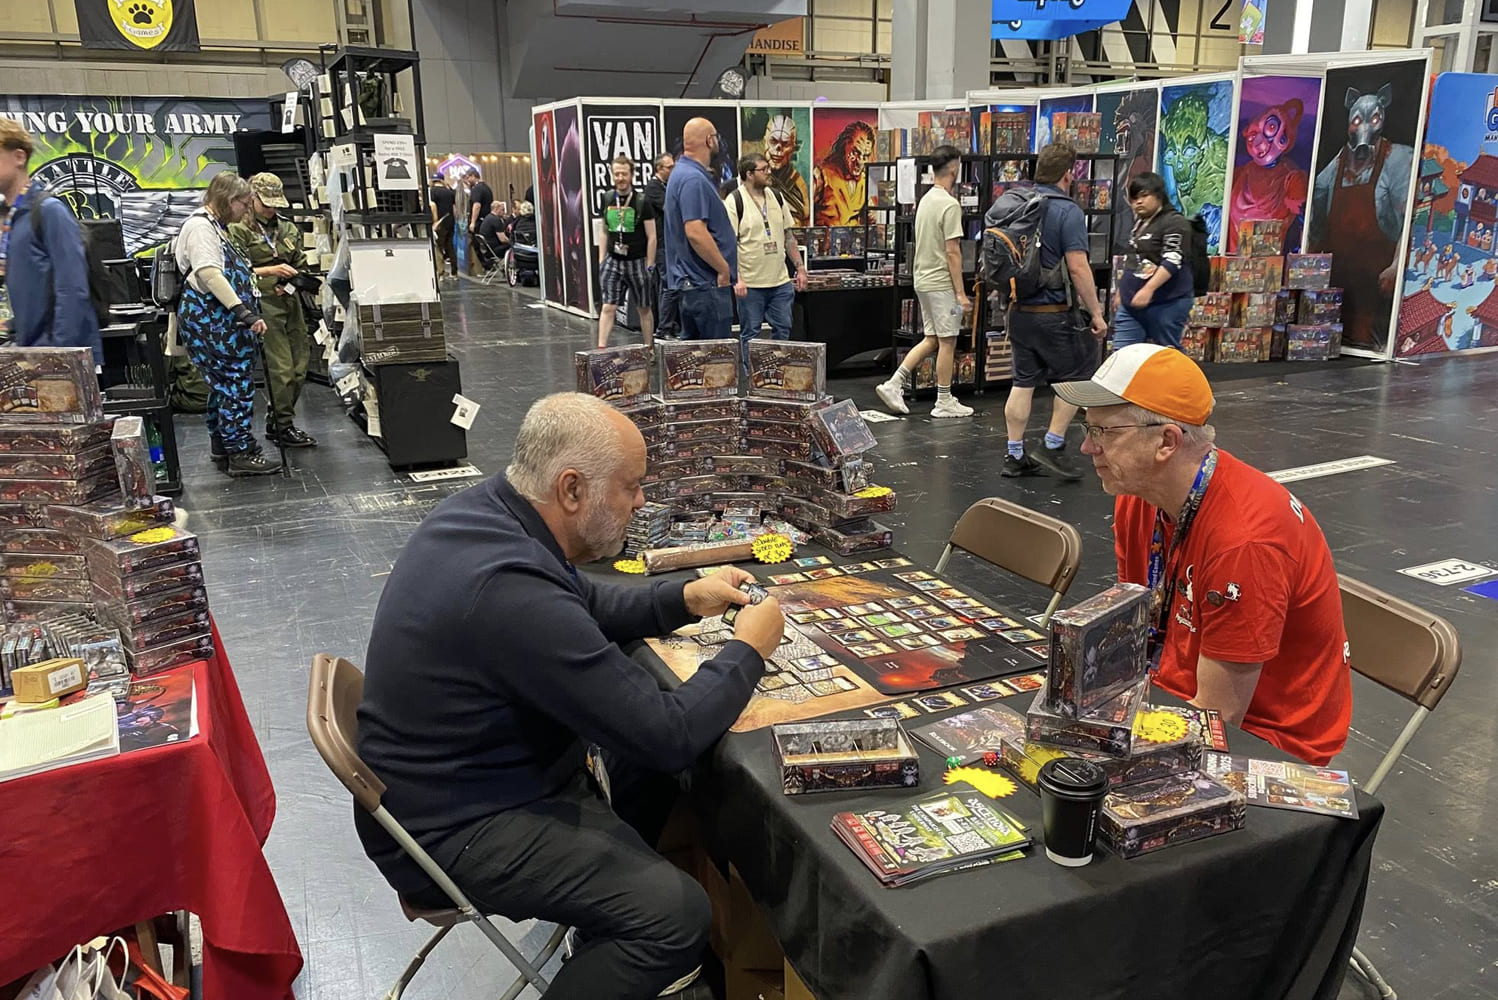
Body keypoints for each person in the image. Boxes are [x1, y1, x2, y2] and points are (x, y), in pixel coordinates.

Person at [357, 392, 784, 999]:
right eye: (631, 486)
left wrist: (684, 598)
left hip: (456, 784)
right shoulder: (508, 587)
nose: (641, 502)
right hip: (454, 829)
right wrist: (748, 651)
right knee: (674, 915)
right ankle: (621, 934)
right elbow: (669, 734)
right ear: (573, 489)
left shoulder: (485, 515)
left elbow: (581, 598)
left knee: (637, 755)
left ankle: (603, 924)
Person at [1053, 344, 1350, 765]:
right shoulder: (1138, 495)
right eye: (1089, 428)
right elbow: (1134, 623)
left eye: (1104, 432)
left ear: (1167, 441)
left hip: (1264, 741)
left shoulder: (1244, 543)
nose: (1087, 447)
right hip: (1167, 689)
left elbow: (1218, 719)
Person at [998, 142, 1108, 480]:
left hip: (1017, 310)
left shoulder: (1015, 203)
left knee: (1023, 381)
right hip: (1054, 312)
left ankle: (1014, 454)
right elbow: (1077, 267)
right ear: (1068, 174)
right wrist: (1097, 313)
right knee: (1077, 374)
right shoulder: (1067, 211)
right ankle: (1053, 443)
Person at [174, 172, 281, 477]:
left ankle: (223, 444)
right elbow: (209, 274)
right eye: (243, 204)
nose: (246, 210)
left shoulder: (214, 227)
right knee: (235, 383)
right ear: (228, 200)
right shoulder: (200, 228)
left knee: (222, 385)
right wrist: (243, 312)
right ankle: (240, 452)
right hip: (214, 321)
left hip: (219, 321)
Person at [875, 145, 973, 419]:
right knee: (948, 340)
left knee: (932, 338)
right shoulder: (949, 204)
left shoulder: (926, 200)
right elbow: (952, 251)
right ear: (954, 168)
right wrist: (961, 293)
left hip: (924, 280)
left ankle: (894, 383)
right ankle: (944, 400)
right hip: (941, 284)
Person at [0, 118, 102, 362]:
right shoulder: (11, 218)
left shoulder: (49, 211)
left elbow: (72, 288)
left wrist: (58, 356)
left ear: (19, 157)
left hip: (59, 357)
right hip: (30, 351)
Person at [228, 173, 315, 449]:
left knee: (300, 366)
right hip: (261, 303)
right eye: (266, 204)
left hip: (289, 300)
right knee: (281, 370)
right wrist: (270, 271)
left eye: (275, 204)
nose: (271, 209)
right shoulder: (239, 229)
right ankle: (282, 424)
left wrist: (291, 283)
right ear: (252, 198)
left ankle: (278, 418)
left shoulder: (287, 228)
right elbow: (236, 271)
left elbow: (300, 264)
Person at [727, 154, 807, 372]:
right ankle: (753, 377)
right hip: (751, 283)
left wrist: (800, 268)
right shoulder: (735, 201)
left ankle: (777, 373)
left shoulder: (777, 196)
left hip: (780, 281)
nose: (769, 172)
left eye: (768, 168)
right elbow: (729, 244)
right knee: (750, 334)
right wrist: (737, 278)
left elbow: (788, 235)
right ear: (749, 174)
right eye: (763, 169)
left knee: (783, 328)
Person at [665, 118, 736, 341]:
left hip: (697, 286)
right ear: (709, 140)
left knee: (697, 356)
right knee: (716, 356)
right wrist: (723, 269)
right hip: (706, 286)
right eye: (715, 137)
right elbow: (695, 231)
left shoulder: (683, 173)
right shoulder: (692, 179)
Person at [1114, 172, 1194, 351]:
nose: (1139, 202)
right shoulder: (1140, 223)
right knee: (1122, 354)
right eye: (1134, 199)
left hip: (1167, 303)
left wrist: (1148, 289)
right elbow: (1132, 259)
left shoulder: (1175, 222)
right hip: (1131, 303)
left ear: (1159, 196)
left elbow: (1172, 260)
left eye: (1144, 196)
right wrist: (1121, 290)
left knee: (1165, 354)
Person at [596, 155, 657, 350]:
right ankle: (601, 349)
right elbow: (604, 230)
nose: (620, 178)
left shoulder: (641, 201)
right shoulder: (607, 198)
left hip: (637, 261)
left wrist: (649, 264)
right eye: (617, 174)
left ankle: (648, 348)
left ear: (631, 175)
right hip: (613, 260)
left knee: (644, 307)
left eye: (624, 174)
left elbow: (652, 236)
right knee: (608, 306)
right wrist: (602, 260)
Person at [812, 120, 875, 226]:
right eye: (855, 152)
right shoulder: (821, 175)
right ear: (844, 146)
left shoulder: (864, 181)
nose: (860, 162)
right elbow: (805, 216)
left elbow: (872, 217)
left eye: (865, 156)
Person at [643, 154, 678, 338]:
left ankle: (670, 325)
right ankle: (664, 328)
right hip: (661, 244)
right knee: (668, 286)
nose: (673, 170)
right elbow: (669, 207)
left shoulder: (666, 185)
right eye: (669, 167)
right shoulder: (653, 187)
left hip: (670, 242)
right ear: (659, 169)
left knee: (670, 286)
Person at [762, 114, 810, 227]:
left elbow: (806, 215)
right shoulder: (755, 178)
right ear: (764, 141)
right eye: (773, 141)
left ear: (793, 147)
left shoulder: (798, 182)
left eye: (785, 144)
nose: (779, 148)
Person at [428, 172, 458, 278]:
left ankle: (441, 272)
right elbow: (454, 208)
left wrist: (434, 222)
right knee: (450, 247)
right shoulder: (449, 192)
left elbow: (432, 207)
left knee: (438, 247)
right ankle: (454, 272)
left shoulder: (432, 192)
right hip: (450, 221)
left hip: (439, 222)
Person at [467, 169, 494, 237]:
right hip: (486, 220)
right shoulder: (486, 187)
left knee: (477, 241)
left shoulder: (477, 188)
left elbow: (477, 205)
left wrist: (473, 222)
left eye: (468, 177)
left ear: (473, 176)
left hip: (479, 222)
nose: (467, 180)